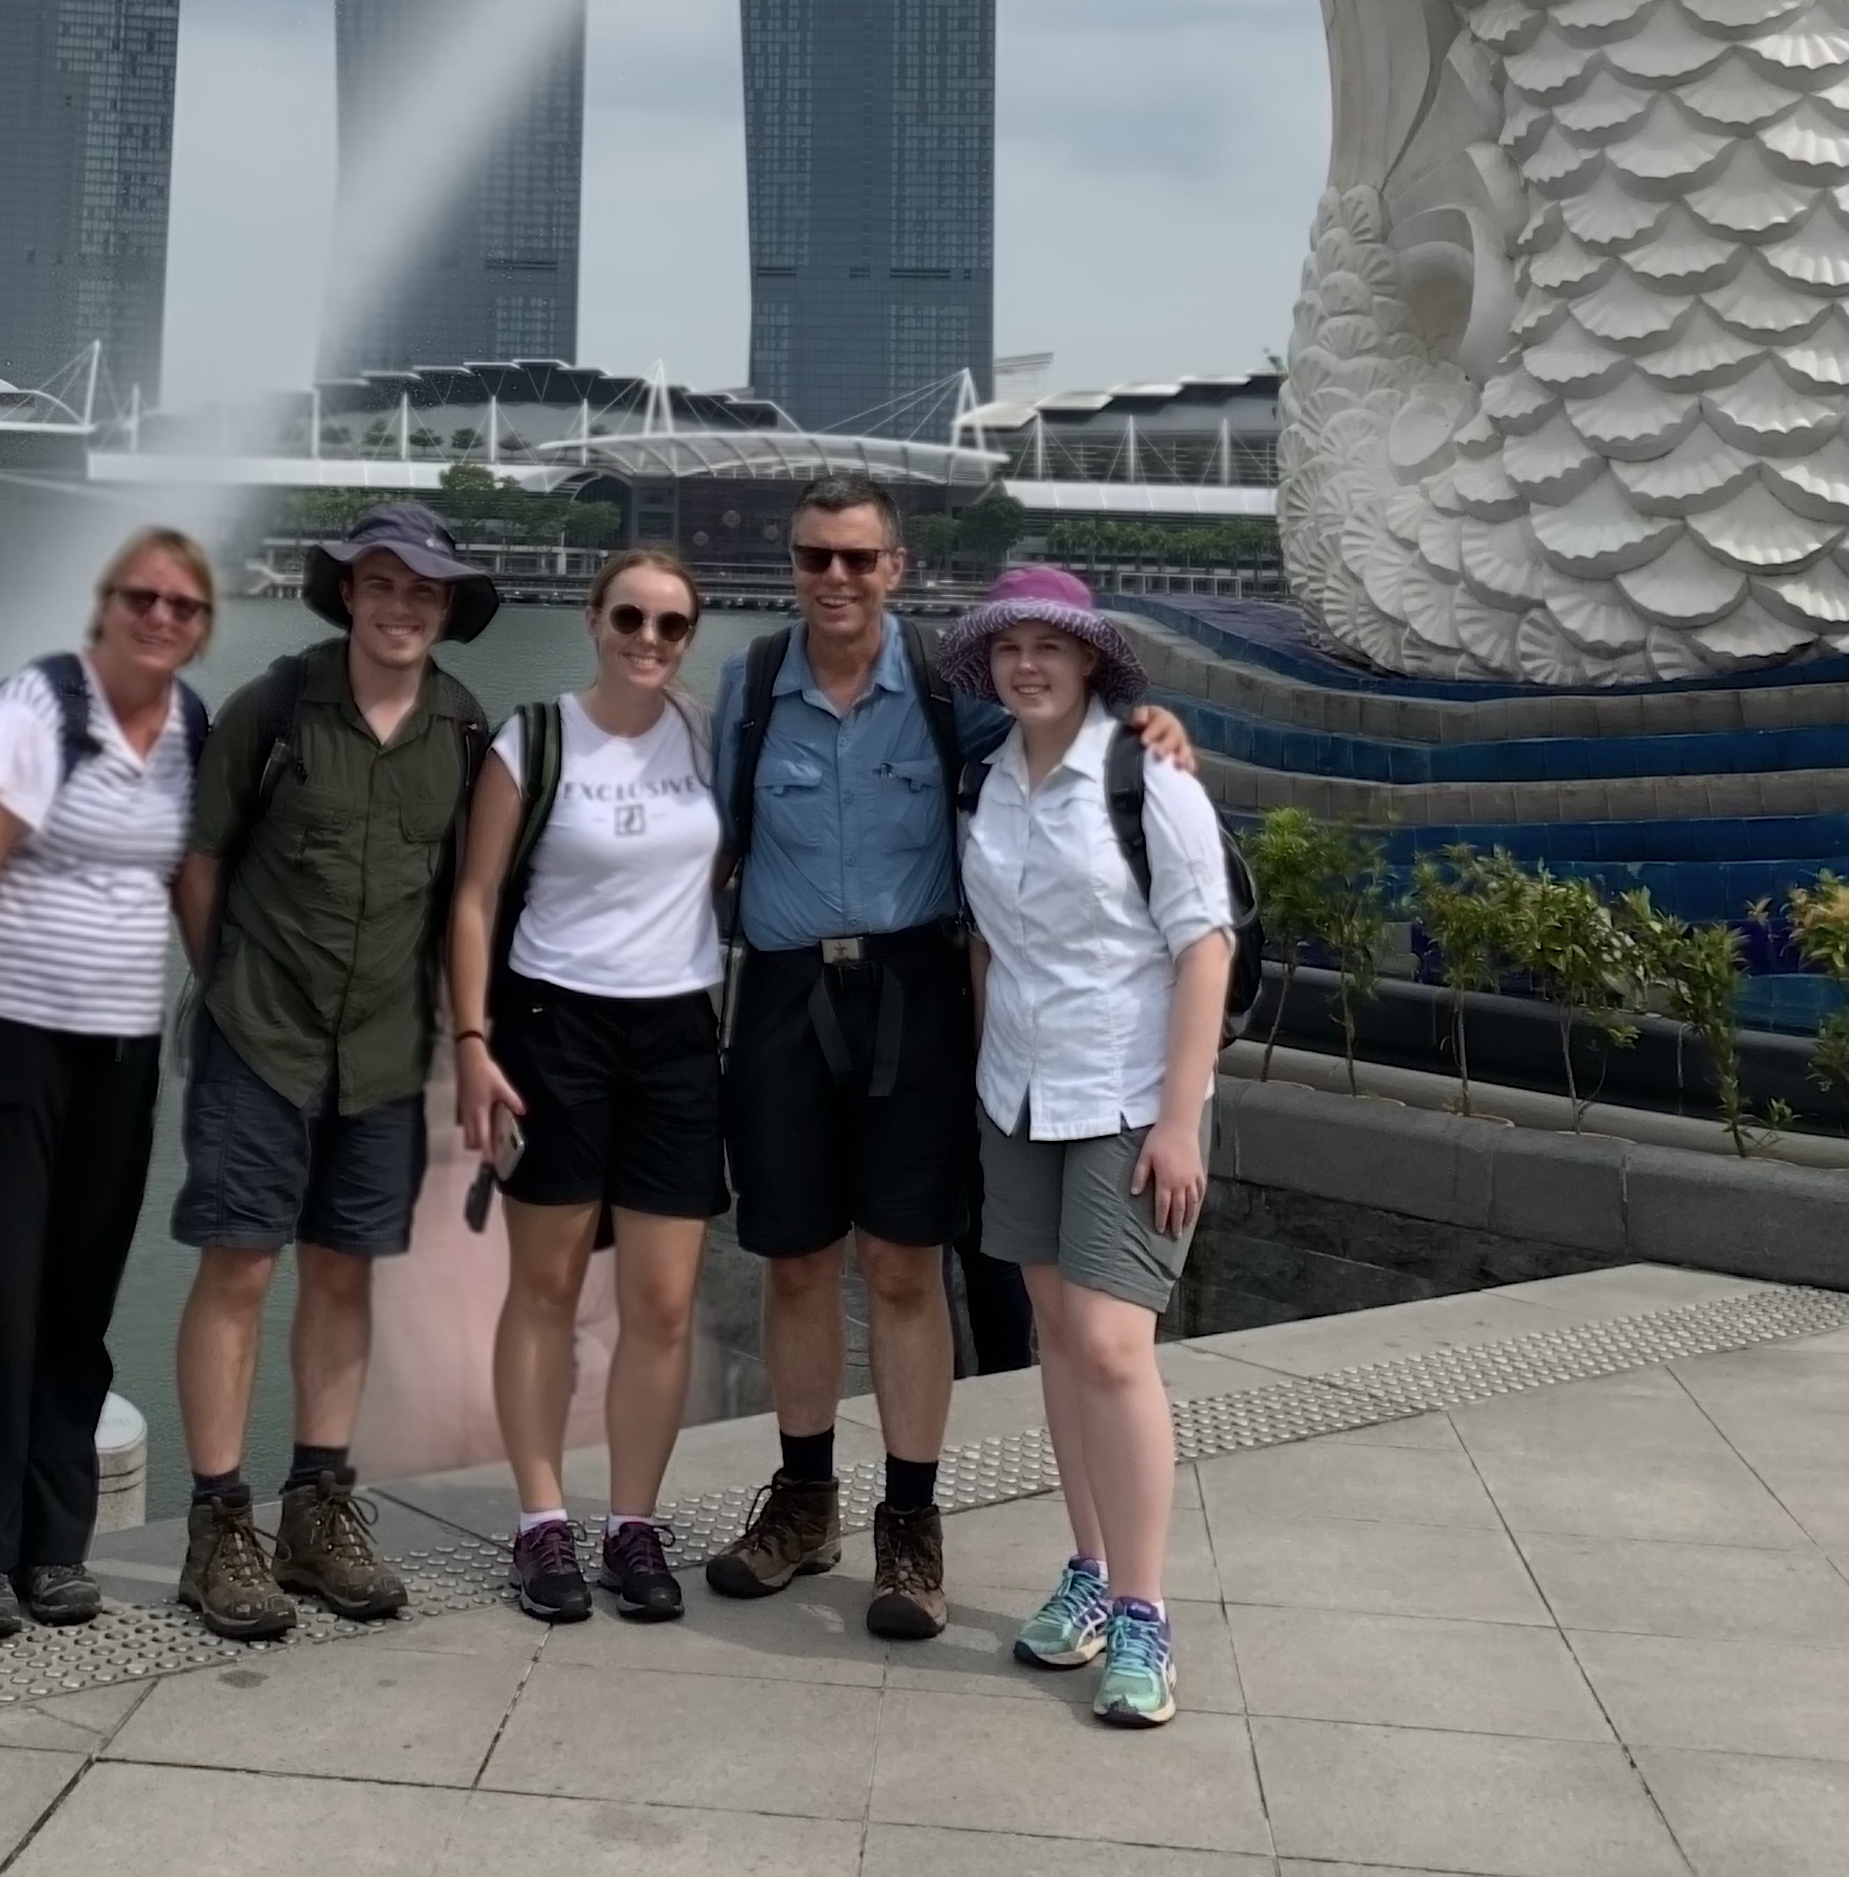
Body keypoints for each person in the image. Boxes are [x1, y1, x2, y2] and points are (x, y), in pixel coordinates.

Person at [703, 482, 1194, 1643]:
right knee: (794, 1261)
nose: (836, 577)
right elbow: (709, 837)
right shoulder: (749, 685)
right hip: (780, 993)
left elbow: (1052, 728)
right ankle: (805, 1499)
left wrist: (1152, 724)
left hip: (914, 991)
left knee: (906, 1261)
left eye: (858, 558)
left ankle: (911, 1523)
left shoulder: (942, 688)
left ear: (897, 566)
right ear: (791, 564)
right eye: (815, 556)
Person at [169, 499, 498, 1640]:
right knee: (240, 1267)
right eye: (382, 583)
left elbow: (469, 898)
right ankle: (219, 1526)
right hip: (260, 1036)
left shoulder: (465, 731)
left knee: (346, 1272)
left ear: (445, 608)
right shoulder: (270, 709)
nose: (402, 606)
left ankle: (317, 1510)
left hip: (386, 1052)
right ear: (348, 593)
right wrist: (229, 984)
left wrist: (469, 1038)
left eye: (424, 589)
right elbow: (200, 864)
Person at [0, 525, 217, 1642]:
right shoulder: (40, 711)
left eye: (184, 606)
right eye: (143, 597)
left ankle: (52, 1545)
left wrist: (238, 1007)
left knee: (77, 1303)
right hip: (5, 1041)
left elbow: (188, 885)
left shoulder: (186, 728)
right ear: (105, 605)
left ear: (204, 625)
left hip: (116, 1053)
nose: (161, 618)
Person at [948, 569, 1233, 1729]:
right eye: (1009, 646)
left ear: (1090, 663)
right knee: (1058, 1340)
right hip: (1019, 1092)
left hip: (1126, 1093)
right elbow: (988, 945)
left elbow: (1204, 947)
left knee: (1115, 1347)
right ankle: (1088, 1569)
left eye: (1051, 647)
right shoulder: (986, 780)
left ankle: (1145, 1609)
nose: (1028, 664)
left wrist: (1180, 1119)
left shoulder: (1146, 774)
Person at [450, 545, 721, 1626]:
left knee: (662, 1300)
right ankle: (541, 1519)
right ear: (593, 620)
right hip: (553, 1027)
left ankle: (634, 1523)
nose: (648, 640)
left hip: (678, 1033)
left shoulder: (709, 737)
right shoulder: (535, 738)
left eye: (671, 624)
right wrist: (471, 1039)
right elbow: (474, 897)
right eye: (630, 618)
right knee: (548, 1289)